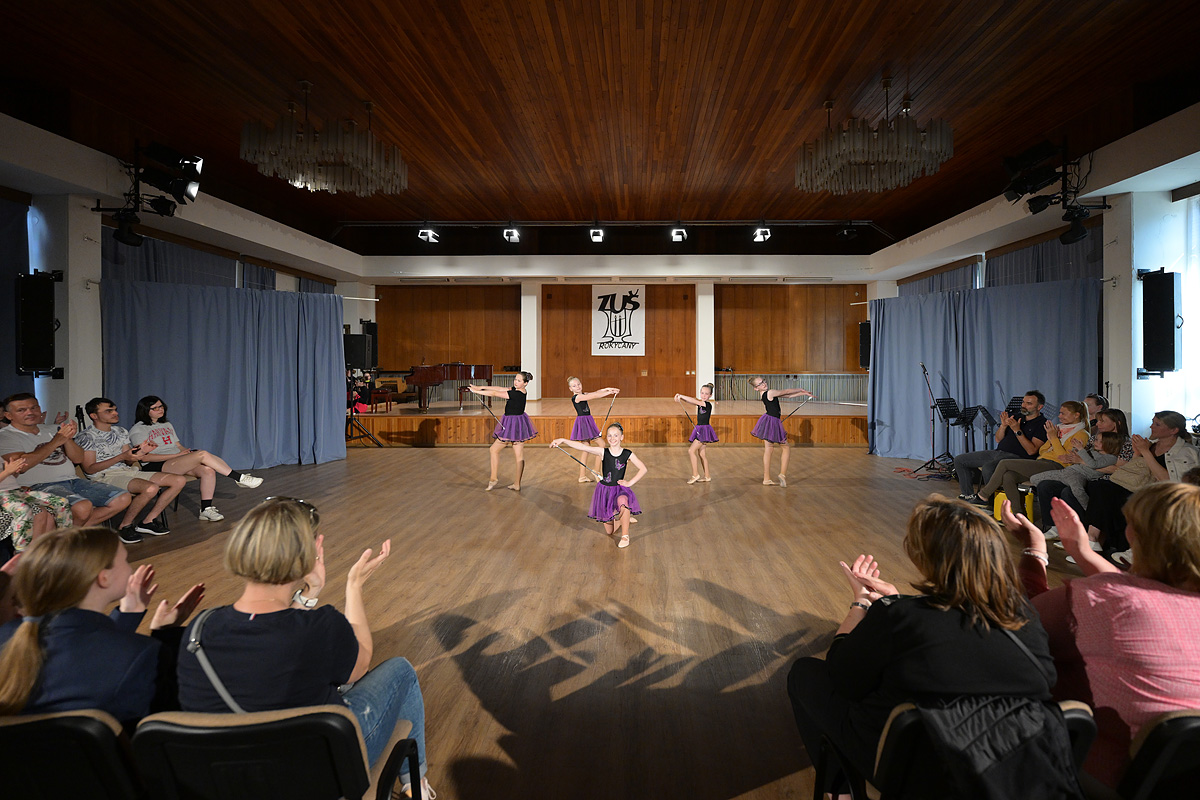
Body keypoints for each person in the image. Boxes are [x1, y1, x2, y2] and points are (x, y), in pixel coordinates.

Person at [787, 496, 1063, 796]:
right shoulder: (1027, 617)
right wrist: (896, 602)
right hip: (1017, 772)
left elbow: (842, 677)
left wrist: (862, 604)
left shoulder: (900, 618)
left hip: (921, 774)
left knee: (804, 674)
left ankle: (841, 793)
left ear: (926, 560)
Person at [174, 498, 434, 797]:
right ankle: (416, 784)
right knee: (401, 671)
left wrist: (312, 592)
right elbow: (360, 663)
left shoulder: (198, 630)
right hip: (317, 776)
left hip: (231, 780)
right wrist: (354, 586)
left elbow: (271, 636)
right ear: (308, 553)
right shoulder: (320, 628)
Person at [1003, 484, 1200, 789]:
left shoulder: (1108, 600)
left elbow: (1018, 627)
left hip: (1090, 778)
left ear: (1140, 537)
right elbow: (1147, 598)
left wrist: (1034, 551)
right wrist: (1082, 553)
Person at [0, 526, 204, 727]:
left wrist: (128, 615)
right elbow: (168, 725)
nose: (130, 567)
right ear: (104, 578)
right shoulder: (140, 654)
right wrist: (166, 636)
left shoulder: (9, 637)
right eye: (125, 560)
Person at [0, 393, 131, 527]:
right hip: (37, 485)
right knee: (82, 507)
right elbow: (22, 465)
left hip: (73, 480)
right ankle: (68, 535)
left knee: (122, 498)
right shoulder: (6, 436)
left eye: (34, 408)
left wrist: (67, 439)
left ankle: (66, 533)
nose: (30, 412)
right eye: (21, 410)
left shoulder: (52, 429)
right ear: (8, 415)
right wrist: (56, 441)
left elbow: (78, 458)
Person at [1077, 410, 1198, 554]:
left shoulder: (1186, 452)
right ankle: (1093, 540)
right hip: (1138, 486)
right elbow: (1134, 472)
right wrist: (1137, 453)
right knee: (1100, 486)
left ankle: (1094, 542)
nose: (1151, 427)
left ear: (1173, 430)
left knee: (1105, 491)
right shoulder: (1151, 445)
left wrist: (1145, 452)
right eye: (1152, 423)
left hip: (1158, 493)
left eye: (1157, 424)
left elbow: (1174, 482)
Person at [128, 395, 264, 523]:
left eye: (161, 406)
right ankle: (239, 478)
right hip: (156, 465)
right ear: (145, 411)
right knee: (202, 454)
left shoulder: (166, 425)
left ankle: (205, 509)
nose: (160, 410)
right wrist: (177, 456)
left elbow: (178, 446)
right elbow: (144, 457)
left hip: (175, 461)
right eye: (155, 408)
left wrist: (186, 453)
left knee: (208, 470)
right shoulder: (138, 429)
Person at [76, 397, 187, 544]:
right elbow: (90, 469)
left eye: (115, 410)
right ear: (94, 416)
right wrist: (122, 457)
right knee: (150, 488)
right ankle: (125, 526)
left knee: (179, 480)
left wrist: (141, 452)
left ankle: (148, 521)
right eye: (109, 411)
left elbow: (128, 460)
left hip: (127, 471)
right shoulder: (86, 436)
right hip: (104, 476)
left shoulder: (120, 431)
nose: (115, 413)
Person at [965, 400, 1091, 507]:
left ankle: (983, 495)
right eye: (1059, 413)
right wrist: (1052, 441)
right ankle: (1018, 515)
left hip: (1057, 466)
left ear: (1076, 415)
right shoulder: (1058, 429)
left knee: (1004, 463)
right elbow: (1042, 450)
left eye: (1063, 413)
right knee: (1009, 476)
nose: (1059, 416)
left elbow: (1064, 459)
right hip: (1042, 462)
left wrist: (1053, 439)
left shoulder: (1081, 434)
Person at [1034, 408, 1132, 533]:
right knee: (1045, 486)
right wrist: (1072, 457)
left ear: (1117, 423)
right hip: (1080, 473)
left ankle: (1083, 530)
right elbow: (1079, 456)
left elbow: (1120, 469)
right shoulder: (1094, 439)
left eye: (1102, 421)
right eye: (1098, 421)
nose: (1097, 424)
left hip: (1103, 481)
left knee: (1069, 492)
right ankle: (1053, 527)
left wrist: (1083, 462)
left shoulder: (1126, 443)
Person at [551, 422, 647, 549]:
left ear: (621, 437)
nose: (612, 438)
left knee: (623, 501)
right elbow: (582, 447)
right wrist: (563, 440)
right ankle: (623, 519)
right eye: (610, 435)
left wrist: (629, 483)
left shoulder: (627, 453)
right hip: (605, 491)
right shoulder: (603, 452)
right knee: (609, 531)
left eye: (616, 435)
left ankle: (625, 535)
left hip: (619, 489)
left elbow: (643, 469)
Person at [953, 391, 1049, 500]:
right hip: (998, 453)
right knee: (960, 460)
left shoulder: (1043, 424)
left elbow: (1031, 451)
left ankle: (990, 501)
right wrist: (1003, 426)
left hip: (1018, 458)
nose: (1024, 405)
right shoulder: (1016, 417)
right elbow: (998, 439)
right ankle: (967, 495)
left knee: (988, 468)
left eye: (1029, 403)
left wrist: (1017, 431)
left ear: (1039, 407)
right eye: (1023, 402)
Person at [468, 372, 537, 491]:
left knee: (494, 450)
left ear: (525, 383)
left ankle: (493, 479)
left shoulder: (515, 394)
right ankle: (517, 484)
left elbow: (495, 393)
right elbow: (499, 388)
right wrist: (480, 387)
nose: (516, 382)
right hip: (519, 424)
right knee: (519, 456)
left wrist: (477, 392)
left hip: (512, 424)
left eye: (519, 381)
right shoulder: (519, 391)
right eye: (515, 379)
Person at [0, 455, 72, 557]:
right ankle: (20, 553)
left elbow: (7, 477)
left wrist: (14, 471)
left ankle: (64, 543)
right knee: (22, 509)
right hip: (3, 495)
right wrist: (7, 471)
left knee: (61, 502)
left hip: (17, 491)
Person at [748, 377, 812, 487]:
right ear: (756, 388)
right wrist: (800, 389)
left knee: (769, 449)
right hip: (773, 421)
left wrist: (803, 393)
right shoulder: (770, 392)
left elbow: (788, 396)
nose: (764, 384)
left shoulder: (764, 394)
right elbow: (786, 391)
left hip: (768, 420)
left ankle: (766, 479)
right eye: (760, 384)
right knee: (785, 448)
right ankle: (782, 474)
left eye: (763, 381)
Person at [565, 377, 619, 482]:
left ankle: (582, 476)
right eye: (574, 386)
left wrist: (609, 389)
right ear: (571, 389)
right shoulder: (577, 397)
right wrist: (609, 393)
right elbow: (594, 396)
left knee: (586, 449)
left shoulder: (583, 394)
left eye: (579, 384)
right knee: (601, 444)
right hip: (584, 423)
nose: (578, 387)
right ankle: (596, 470)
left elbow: (596, 392)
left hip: (587, 421)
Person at [674, 384, 718, 484]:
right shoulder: (701, 403)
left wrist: (681, 395)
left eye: (706, 394)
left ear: (710, 395)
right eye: (702, 393)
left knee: (691, 451)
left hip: (703, 430)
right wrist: (681, 398)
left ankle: (695, 474)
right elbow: (691, 401)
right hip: (701, 429)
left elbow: (694, 401)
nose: (703, 395)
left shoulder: (706, 404)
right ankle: (707, 476)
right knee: (702, 454)